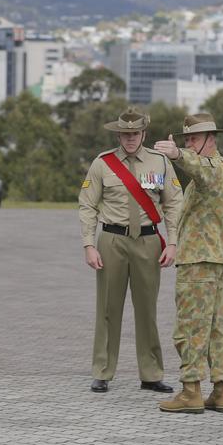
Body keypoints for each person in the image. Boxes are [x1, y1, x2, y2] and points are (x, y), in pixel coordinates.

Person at [78, 108, 183, 394]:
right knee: (108, 309)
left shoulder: (160, 162)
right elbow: (87, 205)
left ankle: (151, 374)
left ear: (144, 133)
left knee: (147, 310)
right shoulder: (102, 163)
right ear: (118, 135)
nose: (130, 139)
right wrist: (89, 244)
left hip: (148, 242)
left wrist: (172, 242)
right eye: (125, 134)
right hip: (112, 240)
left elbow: (174, 202)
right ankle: (102, 371)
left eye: (135, 134)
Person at [155, 113, 223, 414]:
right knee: (216, 328)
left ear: (211, 139)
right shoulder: (222, 170)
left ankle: (191, 391)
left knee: (190, 327)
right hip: (216, 260)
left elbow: (199, 166)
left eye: (194, 139)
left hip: (200, 261)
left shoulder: (213, 168)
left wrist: (177, 153)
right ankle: (222, 390)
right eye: (186, 139)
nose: (189, 143)